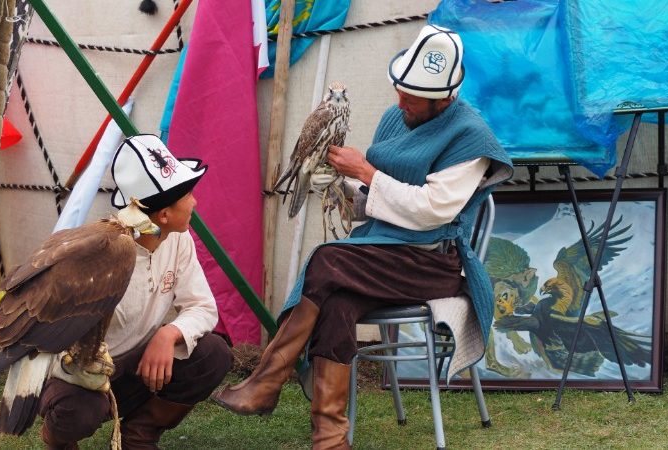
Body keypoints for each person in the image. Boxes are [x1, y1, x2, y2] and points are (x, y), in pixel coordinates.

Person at [212, 24, 514, 449]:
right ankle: (330, 439)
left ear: (445, 99)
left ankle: (267, 380)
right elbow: (377, 199)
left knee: (327, 260)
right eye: (400, 89)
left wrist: (365, 172)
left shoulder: (470, 138)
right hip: (381, 254)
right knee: (336, 301)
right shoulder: (397, 118)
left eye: (413, 97)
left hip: (431, 262)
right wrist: (338, 187)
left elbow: (431, 211)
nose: (400, 101)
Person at [38, 134, 233, 450]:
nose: (195, 201)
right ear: (163, 215)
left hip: (139, 365)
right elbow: (55, 344)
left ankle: (139, 434)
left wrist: (168, 334)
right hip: (81, 373)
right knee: (78, 411)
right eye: (187, 194)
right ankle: (56, 436)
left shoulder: (178, 239)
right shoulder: (100, 257)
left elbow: (203, 307)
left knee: (214, 355)